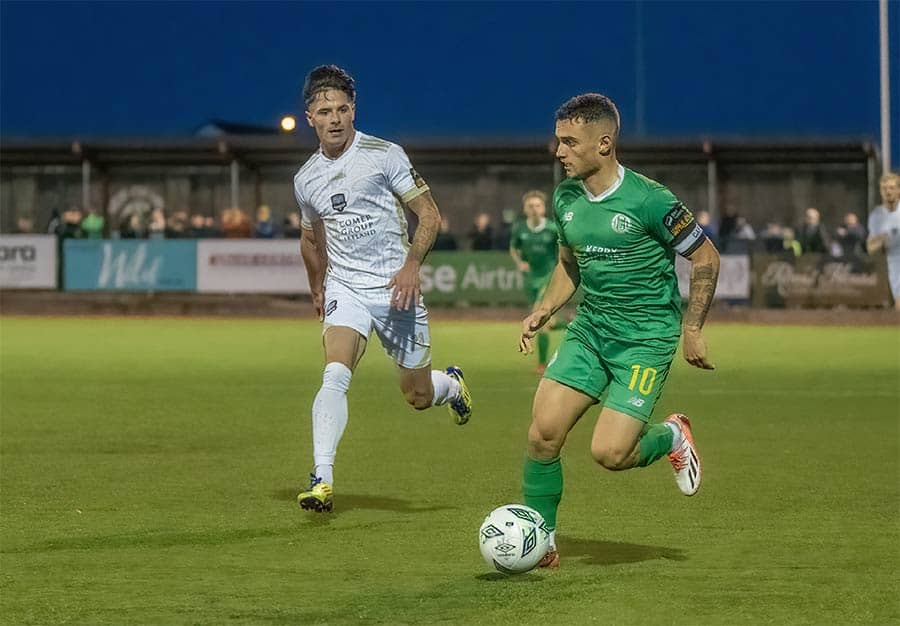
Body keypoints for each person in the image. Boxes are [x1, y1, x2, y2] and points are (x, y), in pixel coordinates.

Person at [518, 94, 720, 568]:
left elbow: (706, 256)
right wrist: (543, 308)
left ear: (604, 143)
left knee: (610, 454)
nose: (558, 150)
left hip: (643, 342)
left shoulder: (652, 200)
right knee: (542, 434)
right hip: (591, 331)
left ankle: (671, 435)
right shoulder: (565, 196)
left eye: (569, 142)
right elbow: (570, 265)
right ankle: (540, 541)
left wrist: (692, 327)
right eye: (558, 140)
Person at [293, 65, 473, 513]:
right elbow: (312, 236)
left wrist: (412, 264)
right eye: (324, 111)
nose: (334, 118)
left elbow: (430, 215)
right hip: (346, 288)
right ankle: (322, 478)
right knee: (335, 373)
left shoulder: (384, 154)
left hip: (397, 289)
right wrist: (318, 287)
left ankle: (450, 386)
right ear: (309, 117)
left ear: (354, 111)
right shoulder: (305, 178)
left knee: (417, 396)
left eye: (342, 109)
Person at [509, 190, 560, 374]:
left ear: (544, 208)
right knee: (547, 320)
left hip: (548, 277)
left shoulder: (553, 229)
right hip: (530, 279)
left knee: (538, 316)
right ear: (525, 209)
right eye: (530, 206)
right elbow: (513, 249)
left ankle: (542, 363)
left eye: (538, 205)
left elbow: (564, 251)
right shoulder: (520, 229)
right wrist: (520, 262)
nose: (534, 209)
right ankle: (565, 323)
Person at [867, 173, 900, 310]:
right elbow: (870, 247)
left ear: (899, 190)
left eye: (892, 188)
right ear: (880, 191)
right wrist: (883, 238)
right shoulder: (877, 216)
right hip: (895, 264)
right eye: (884, 188)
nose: (888, 191)